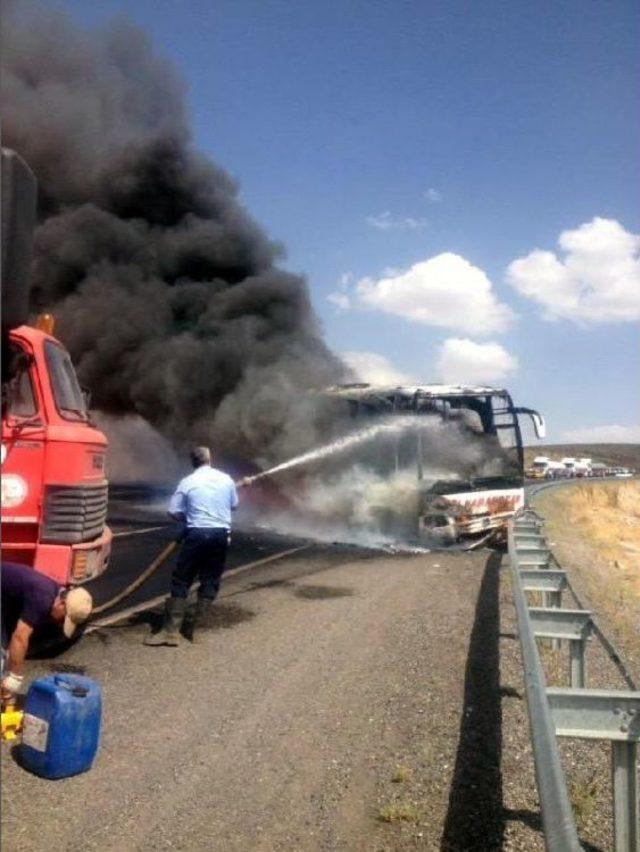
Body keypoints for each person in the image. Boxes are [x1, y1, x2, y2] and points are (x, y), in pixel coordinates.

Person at [145, 446, 239, 646]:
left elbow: (173, 512)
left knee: (182, 579)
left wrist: (188, 517)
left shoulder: (187, 482)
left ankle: (171, 632)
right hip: (220, 535)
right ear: (210, 459)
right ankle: (191, 626)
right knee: (211, 580)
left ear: (193, 462)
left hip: (196, 534)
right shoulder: (227, 479)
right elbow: (233, 505)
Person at [1, 561, 93, 704]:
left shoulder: (55, 594)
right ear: (62, 604)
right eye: (64, 619)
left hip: (5, 603)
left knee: (5, 656)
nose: (60, 623)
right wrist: (15, 677)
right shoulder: (42, 598)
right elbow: (20, 637)